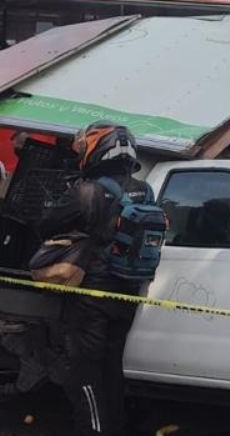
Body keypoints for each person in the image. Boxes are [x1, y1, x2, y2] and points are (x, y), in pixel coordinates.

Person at [36, 122, 153, 435]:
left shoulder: (86, 191)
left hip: (91, 295)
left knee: (84, 374)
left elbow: (46, 222)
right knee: (111, 368)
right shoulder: (144, 189)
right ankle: (114, 427)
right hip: (128, 291)